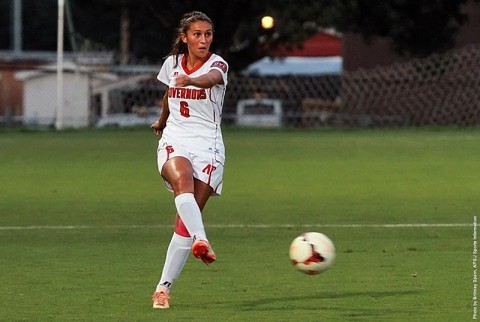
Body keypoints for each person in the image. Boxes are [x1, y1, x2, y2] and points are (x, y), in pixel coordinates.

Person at [150, 11, 229, 309]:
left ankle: (163, 288)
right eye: (197, 34)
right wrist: (161, 121)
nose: (204, 39)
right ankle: (202, 239)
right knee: (182, 181)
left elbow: (210, 80)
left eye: (208, 34)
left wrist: (191, 80)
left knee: (183, 222)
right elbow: (169, 94)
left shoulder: (218, 64)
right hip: (176, 139)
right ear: (184, 37)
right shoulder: (171, 64)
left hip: (209, 146)